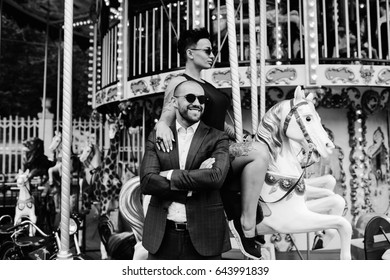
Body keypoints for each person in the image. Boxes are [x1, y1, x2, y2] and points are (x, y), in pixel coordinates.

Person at [155, 28, 269, 259]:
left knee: (263, 150)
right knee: (259, 153)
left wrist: (238, 133)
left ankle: (248, 212)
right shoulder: (180, 80)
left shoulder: (204, 84)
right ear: (189, 53)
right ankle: (245, 224)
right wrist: (162, 126)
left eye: (212, 50)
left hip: (219, 142)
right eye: (207, 50)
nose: (212, 54)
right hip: (204, 150)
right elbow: (169, 109)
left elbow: (216, 120)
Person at [140, 80, 231, 259]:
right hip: (162, 235)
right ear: (174, 102)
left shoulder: (218, 138)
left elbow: (215, 178)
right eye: (190, 98)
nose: (197, 103)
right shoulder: (158, 136)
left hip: (206, 236)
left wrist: (171, 175)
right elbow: (147, 182)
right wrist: (194, 184)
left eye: (202, 99)